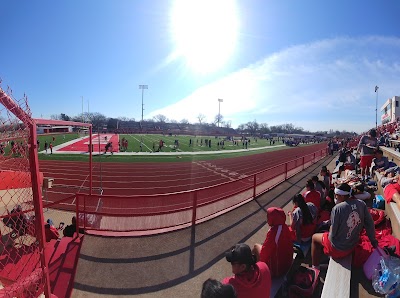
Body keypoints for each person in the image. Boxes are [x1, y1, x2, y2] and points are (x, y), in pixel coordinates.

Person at [311, 183, 378, 268]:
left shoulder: (337, 208)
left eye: (336, 195)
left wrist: (329, 231)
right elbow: (370, 223)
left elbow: (333, 235)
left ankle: (315, 267)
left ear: (342, 196)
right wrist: (373, 239)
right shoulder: (361, 204)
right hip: (352, 244)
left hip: (338, 248)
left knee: (314, 238)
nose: (335, 197)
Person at [253, 207, 293, 277]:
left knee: (256, 246)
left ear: (273, 219)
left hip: (276, 271)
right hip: (287, 264)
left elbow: (263, 254)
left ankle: (254, 269)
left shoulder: (273, 233)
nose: (267, 219)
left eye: (268, 217)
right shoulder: (285, 227)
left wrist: (261, 264)